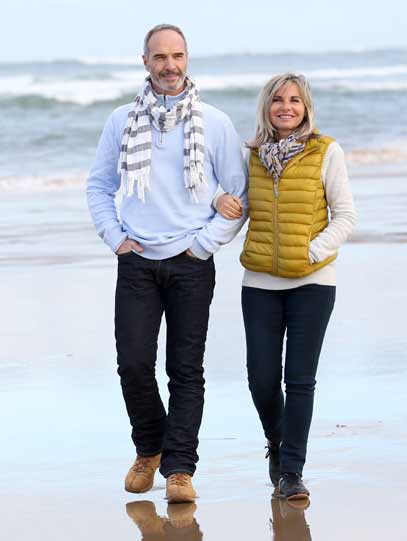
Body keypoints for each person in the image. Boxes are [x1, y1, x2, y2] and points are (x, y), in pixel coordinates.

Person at [87, 23, 247, 504]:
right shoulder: (121, 121)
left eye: (177, 56)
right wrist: (115, 239)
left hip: (191, 261)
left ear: (187, 58)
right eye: (160, 57)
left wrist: (203, 246)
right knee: (133, 364)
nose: (170, 65)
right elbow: (98, 186)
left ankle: (179, 469)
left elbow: (238, 193)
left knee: (185, 368)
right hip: (136, 260)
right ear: (145, 62)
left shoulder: (214, 122)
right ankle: (149, 448)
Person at [216, 73, 356, 500]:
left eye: (295, 100)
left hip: (313, 284)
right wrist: (213, 216)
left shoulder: (326, 151)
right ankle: (276, 441)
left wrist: (311, 252)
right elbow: (238, 210)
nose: (286, 107)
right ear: (266, 106)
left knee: (299, 381)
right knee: (260, 379)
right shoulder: (251, 156)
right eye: (278, 99)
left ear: (306, 107)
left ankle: (291, 472)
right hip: (259, 283)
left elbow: (345, 216)